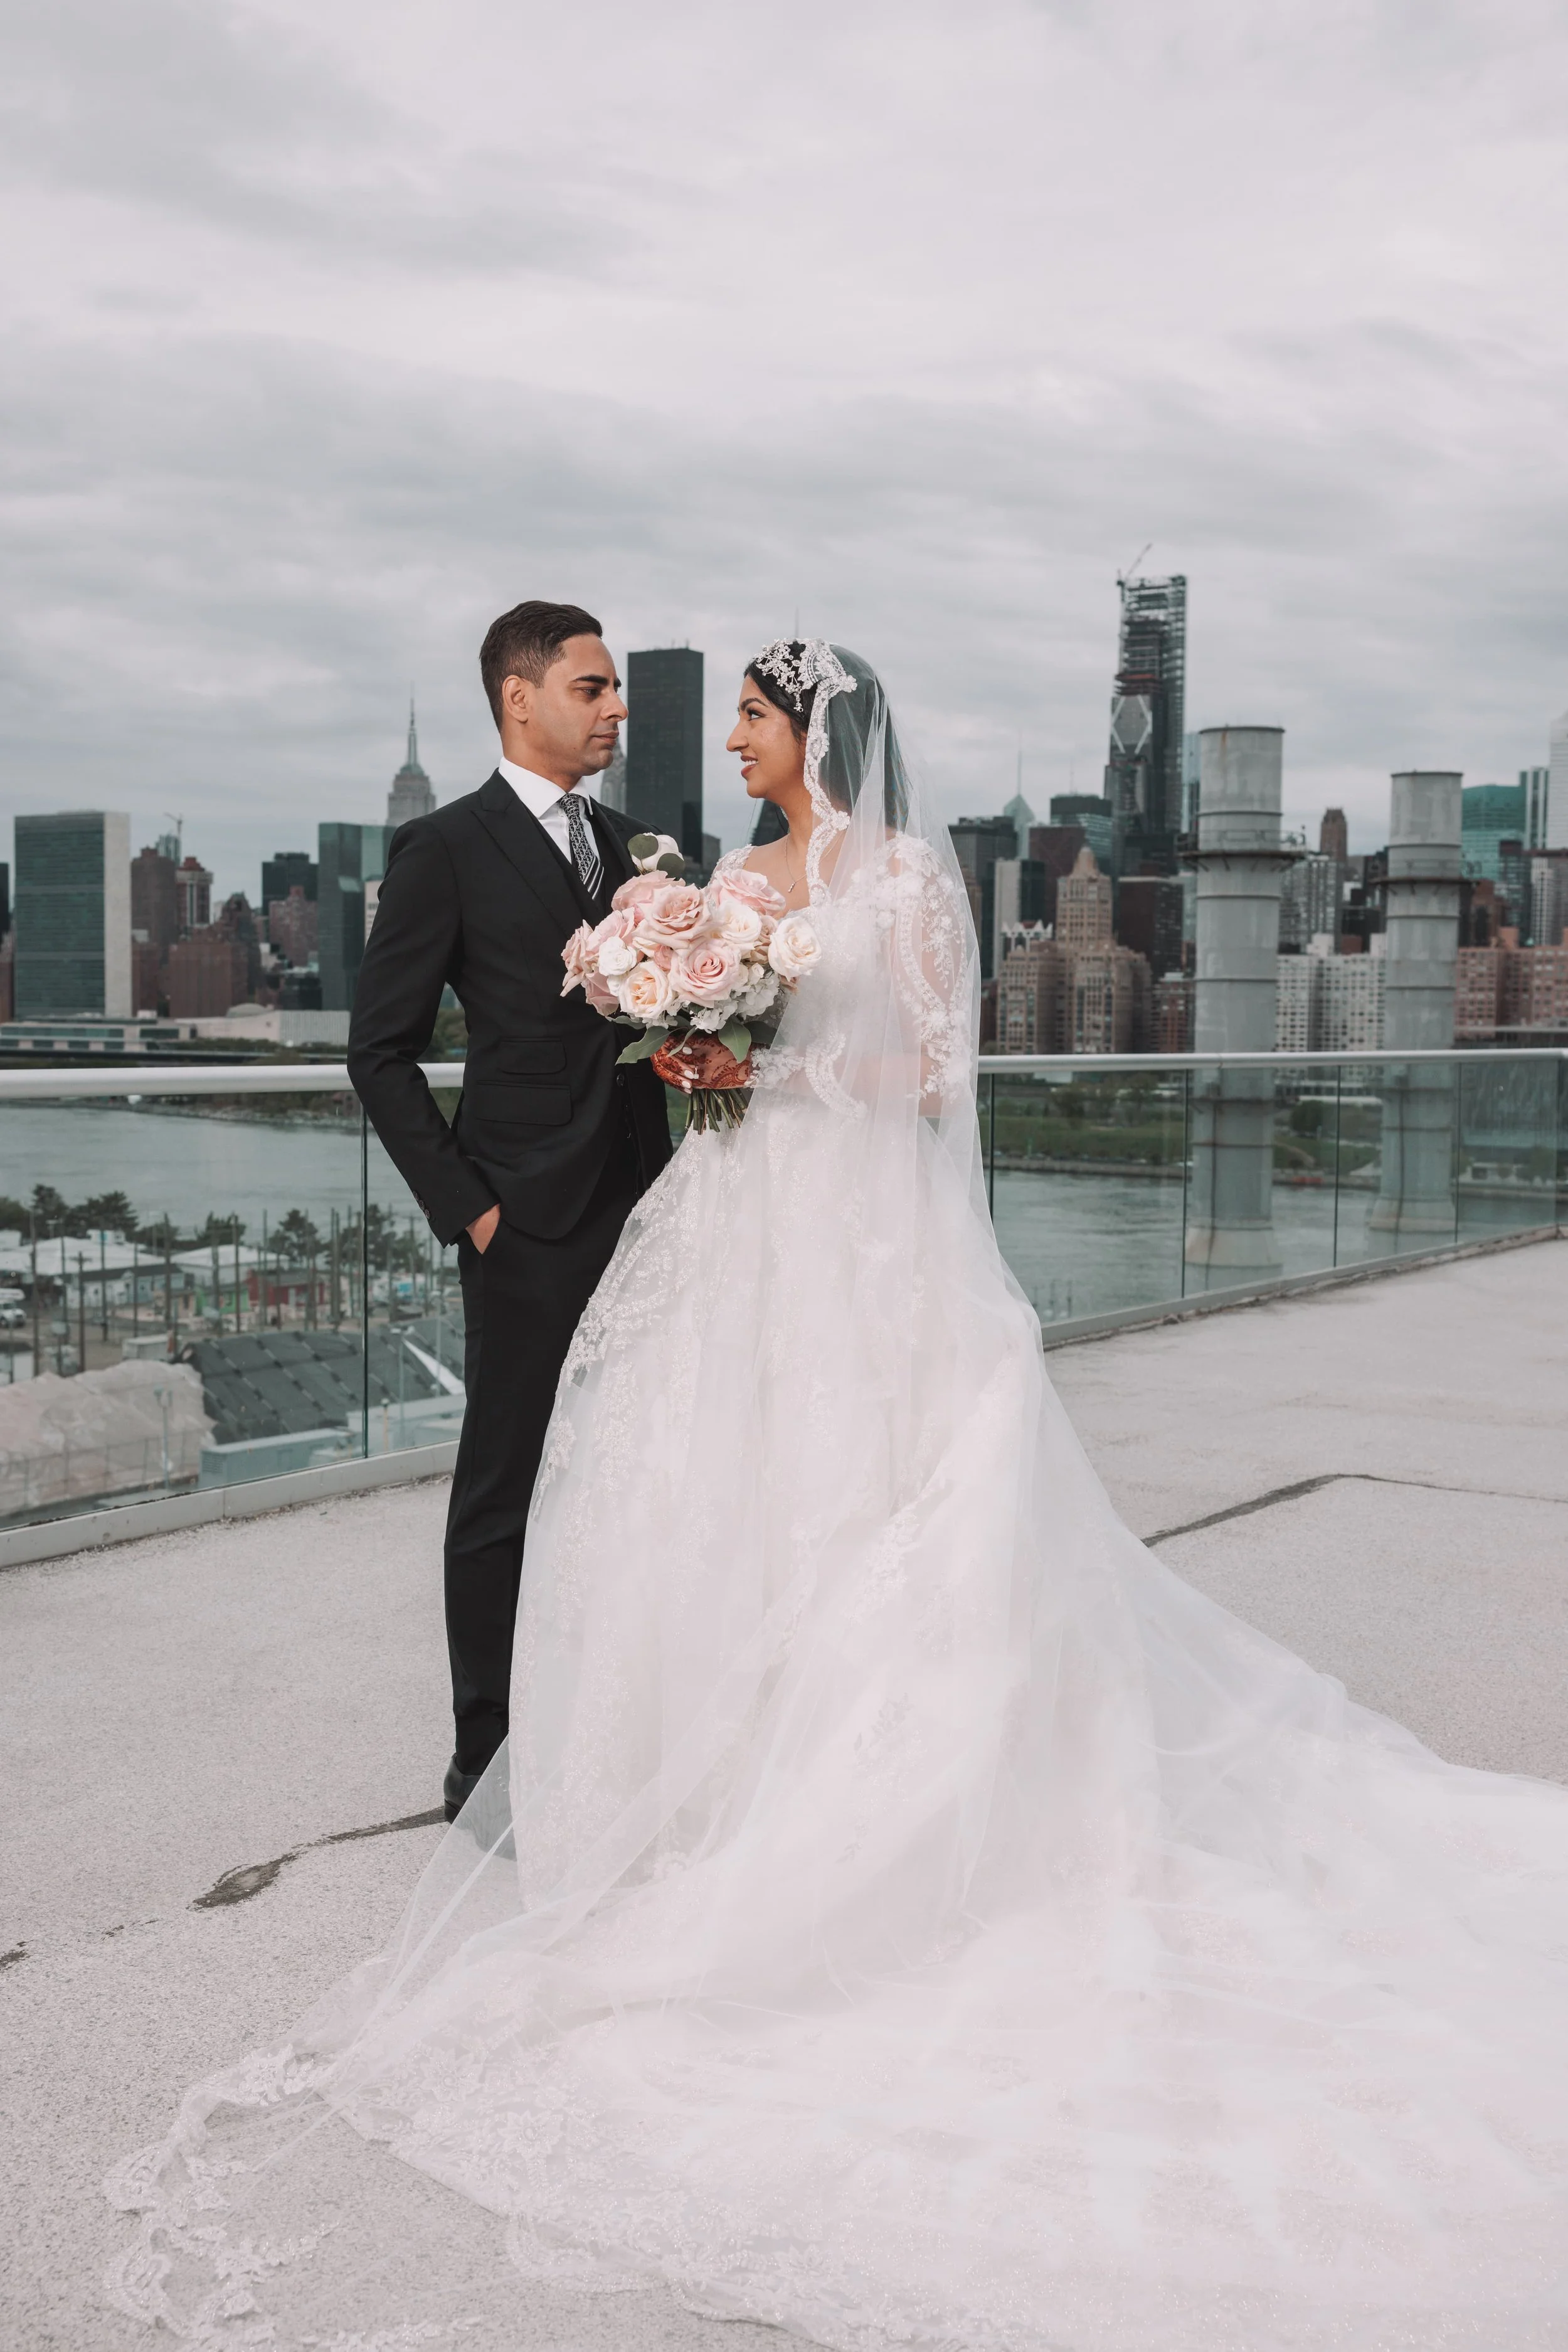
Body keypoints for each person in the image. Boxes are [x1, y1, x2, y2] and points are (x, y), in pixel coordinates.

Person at [112, 644, 1568, 2351]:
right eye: (720, 708)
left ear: (815, 733)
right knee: (706, 1487)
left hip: (855, 1219)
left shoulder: (904, 882)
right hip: (730, 1218)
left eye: (747, 712)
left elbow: (936, 1076)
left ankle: (865, 1805)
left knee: (871, 1489)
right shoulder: (718, 876)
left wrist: (763, 1053)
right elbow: (638, 1052)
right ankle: (689, 1772)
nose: (720, 733)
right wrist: (689, 1037)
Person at [346, 600, 670, 1821]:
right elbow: (377, 1052)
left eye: (618, 689)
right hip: (522, 1224)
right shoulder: (443, 846)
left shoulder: (643, 849)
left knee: (637, 1475)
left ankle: (611, 1721)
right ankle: (483, 1759)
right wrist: (470, 1211)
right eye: (592, 688)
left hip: (651, 1217)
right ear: (518, 696)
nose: (614, 708)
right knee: (504, 1489)